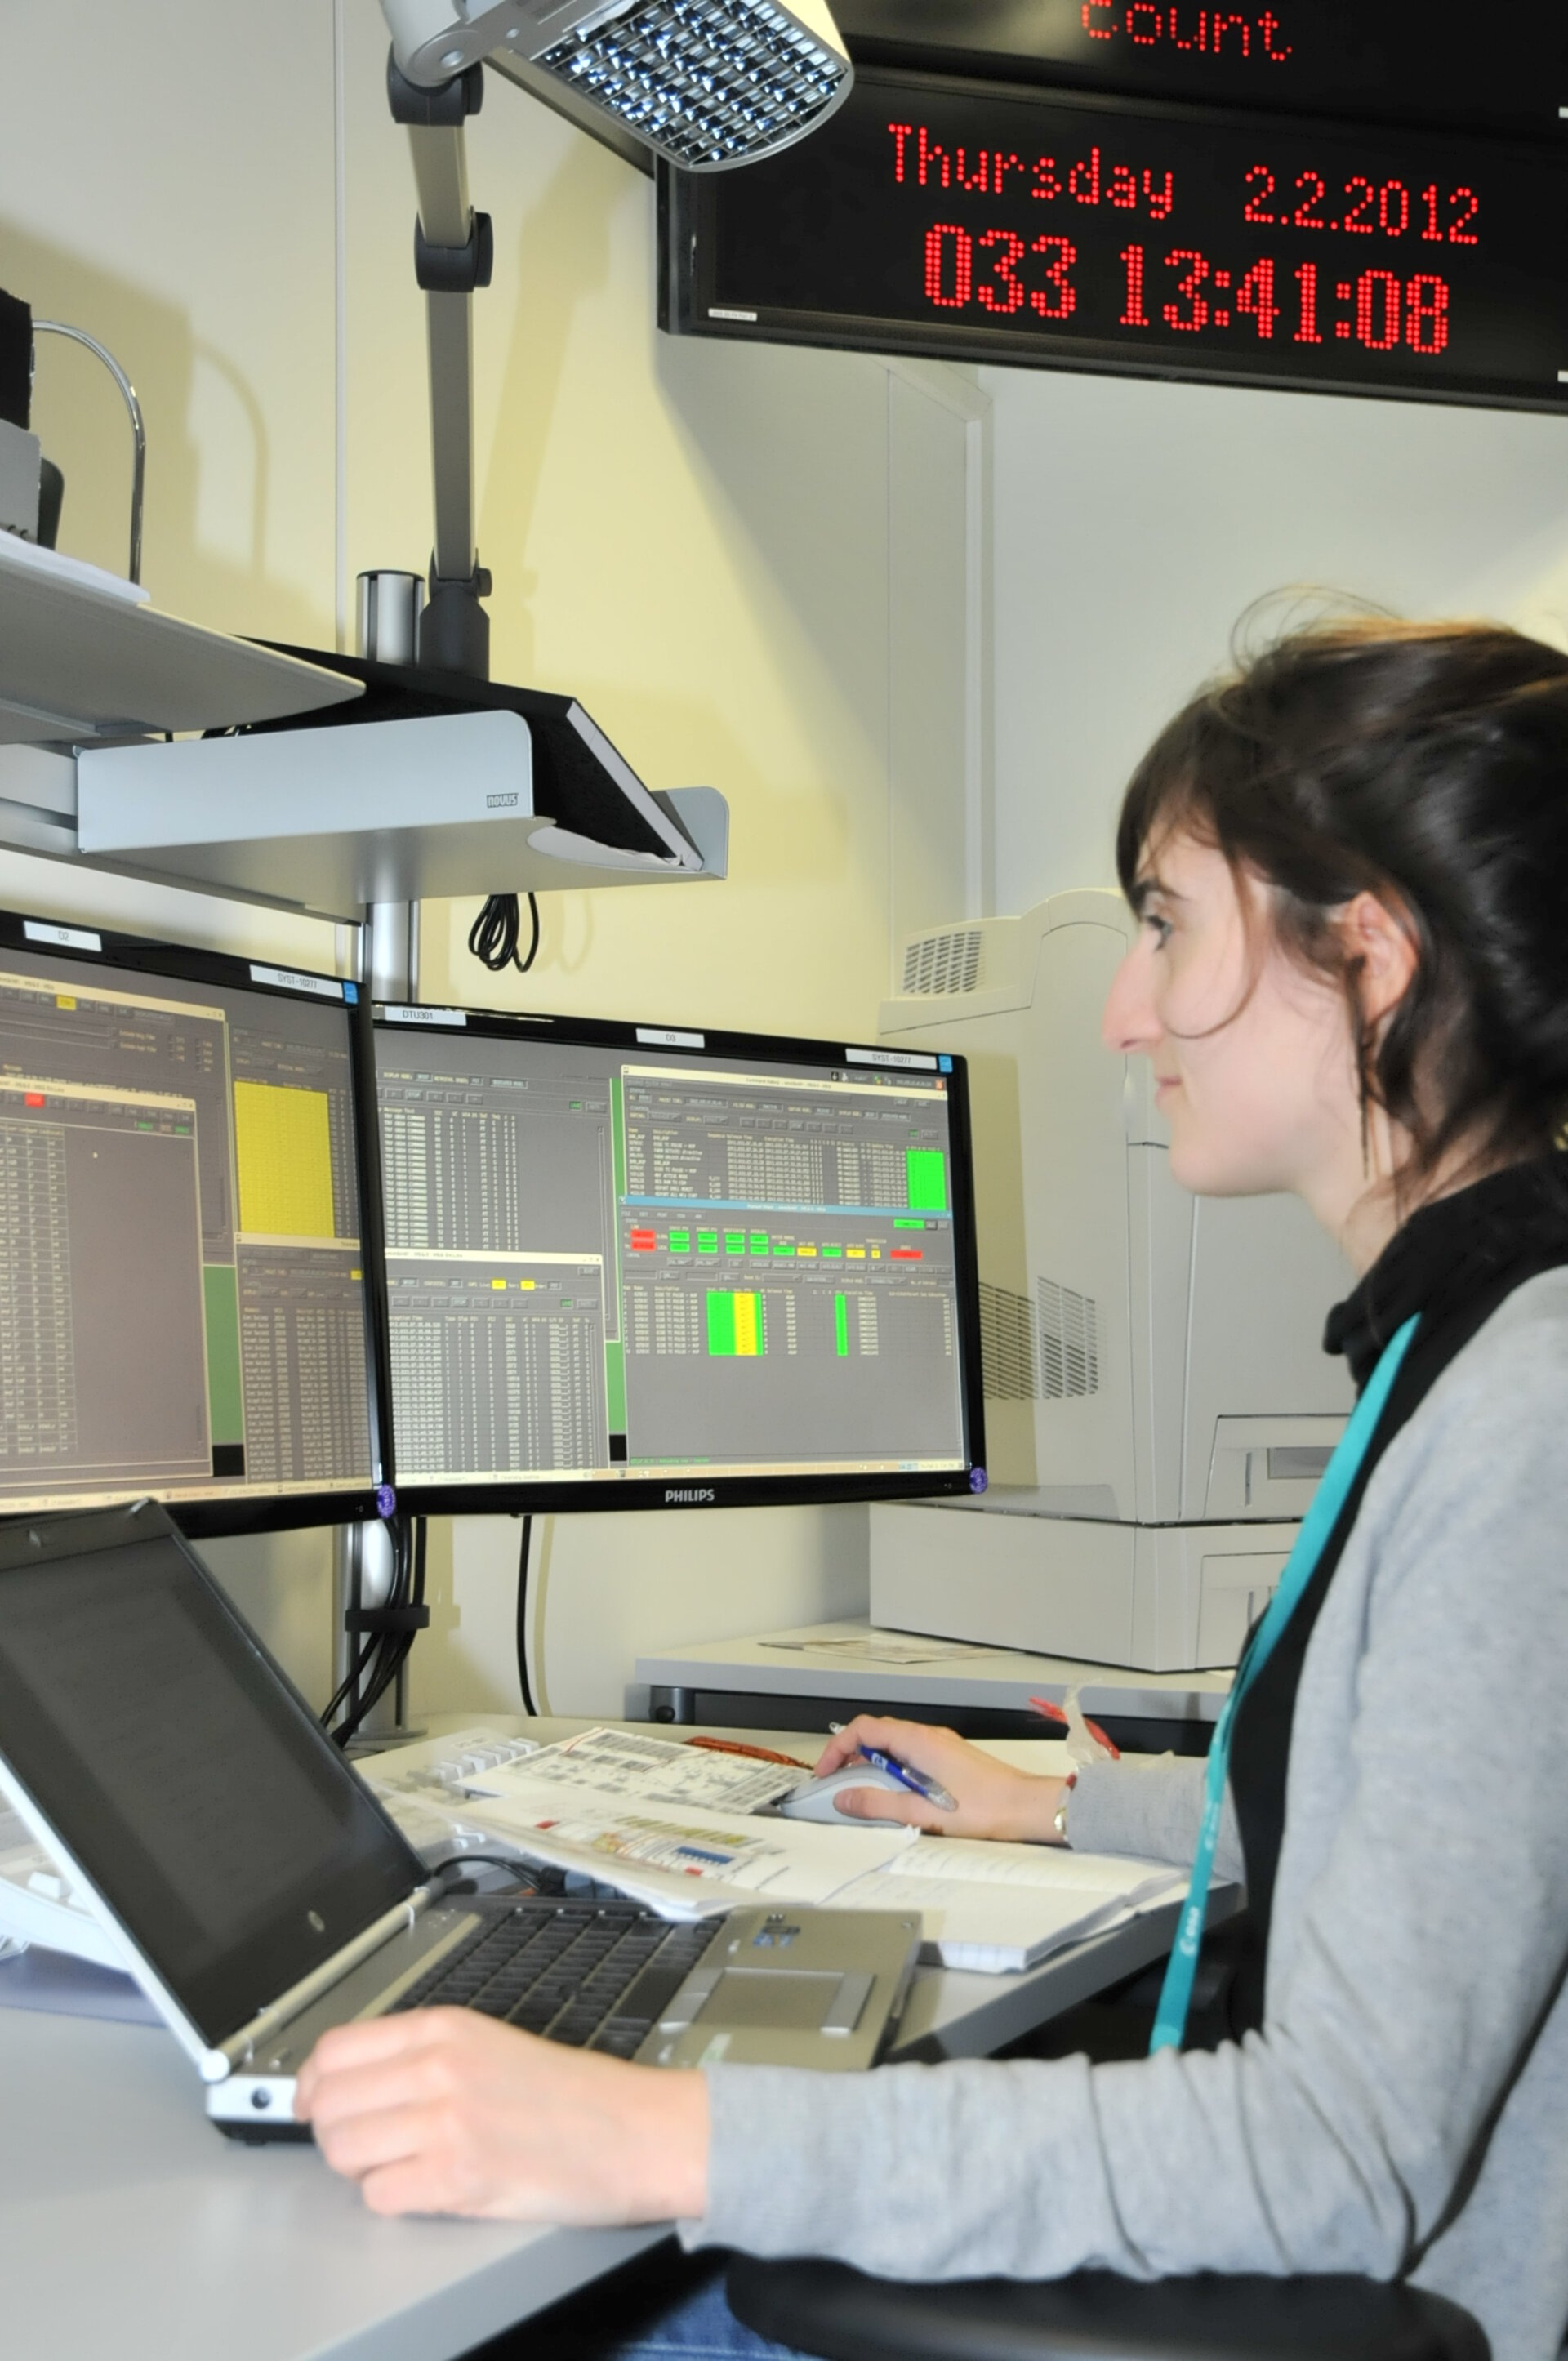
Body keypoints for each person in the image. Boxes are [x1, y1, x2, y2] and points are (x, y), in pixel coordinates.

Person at [296, 617, 1568, 2361]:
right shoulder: (1461, 1345)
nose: (1127, 1015)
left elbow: (1328, 2156)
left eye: (1164, 925)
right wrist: (1061, 1808)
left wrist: (653, 2132)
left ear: (1372, 956)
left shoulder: (1522, 1417)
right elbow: (1423, 1843)